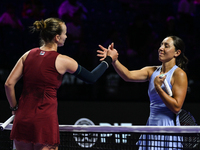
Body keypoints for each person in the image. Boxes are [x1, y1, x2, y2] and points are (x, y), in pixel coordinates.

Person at [4, 17, 118, 150]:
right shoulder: (63, 60)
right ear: (57, 37)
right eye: (65, 33)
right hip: (44, 120)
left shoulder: (27, 55)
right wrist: (109, 59)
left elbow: (8, 84)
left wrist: (14, 108)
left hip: (22, 119)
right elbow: (91, 78)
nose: (66, 36)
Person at [97, 36, 188, 149]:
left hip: (168, 129)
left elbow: (176, 107)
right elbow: (127, 76)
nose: (161, 48)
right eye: (161, 45)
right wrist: (114, 60)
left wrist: (158, 88)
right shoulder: (151, 71)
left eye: (166, 46)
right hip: (151, 126)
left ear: (177, 52)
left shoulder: (179, 74)